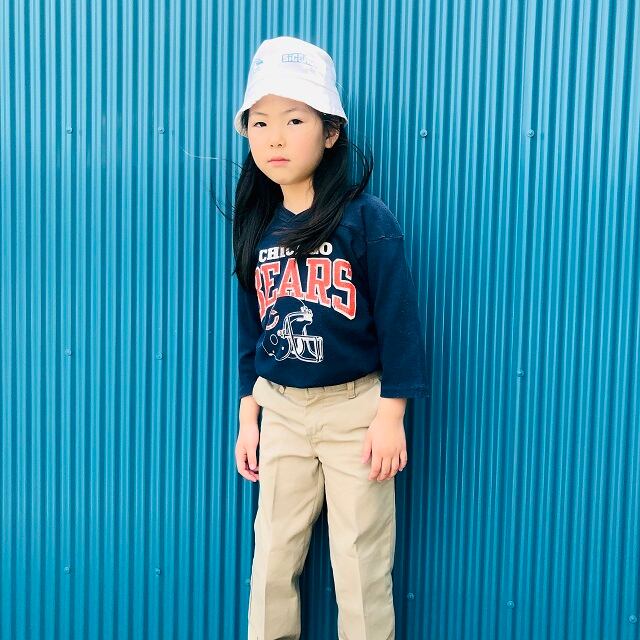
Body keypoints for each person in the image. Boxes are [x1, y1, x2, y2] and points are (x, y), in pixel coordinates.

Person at [231, 35, 428, 640]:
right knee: (271, 560)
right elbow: (252, 326)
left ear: (331, 132)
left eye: (295, 120)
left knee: (361, 565)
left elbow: (399, 321)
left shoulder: (366, 219)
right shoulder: (258, 225)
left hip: (355, 414)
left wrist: (391, 414)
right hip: (282, 413)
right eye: (261, 122)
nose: (276, 137)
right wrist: (248, 414)